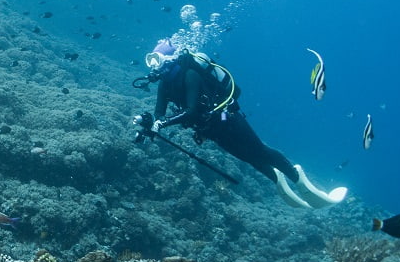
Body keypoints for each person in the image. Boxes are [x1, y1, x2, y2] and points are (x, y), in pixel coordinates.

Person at [134, 39, 346, 209]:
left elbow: (191, 111)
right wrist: (153, 122)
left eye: (156, 59)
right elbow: (159, 111)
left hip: (227, 118)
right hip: (210, 129)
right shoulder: (165, 84)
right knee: (249, 158)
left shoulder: (190, 75)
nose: (153, 65)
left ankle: (298, 179)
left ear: (169, 59)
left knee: (260, 151)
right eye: (150, 60)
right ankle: (277, 179)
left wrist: (162, 124)